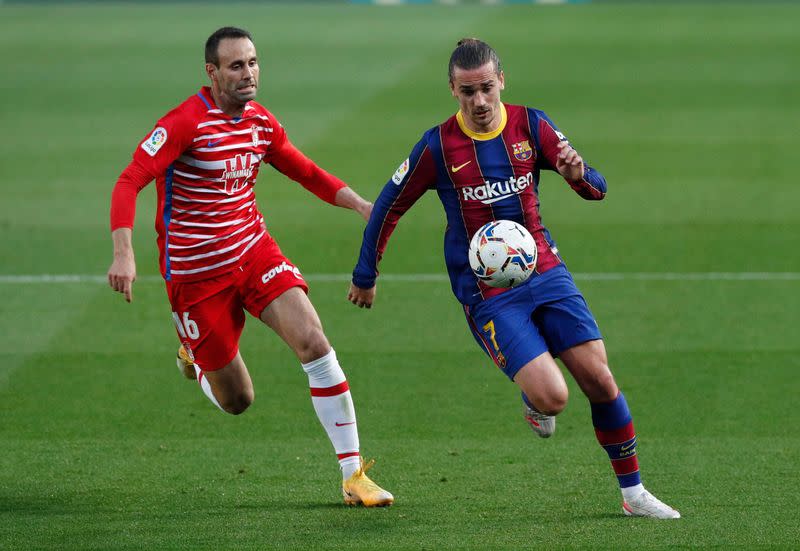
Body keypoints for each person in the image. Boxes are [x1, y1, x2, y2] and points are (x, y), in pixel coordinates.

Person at [348, 38, 679, 518]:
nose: (479, 102)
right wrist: (365, 273)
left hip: (545, 271)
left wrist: (577, 172)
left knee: (601, 381)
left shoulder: (532, 124)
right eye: (467, 92)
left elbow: (597, 189)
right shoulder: (437, 146)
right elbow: (388, 205)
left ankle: (634, 495)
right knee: (555, 396)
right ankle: (534, 398)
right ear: (452, 91)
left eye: (486, 88)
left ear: (501, 80)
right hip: (488, 295)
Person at [107, 26, 392, 507]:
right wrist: (124, 252)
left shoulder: (259, 121)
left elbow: (304, 169)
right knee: (238, 400)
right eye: (236, 65)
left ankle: (352, 475)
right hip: (196, 277)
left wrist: (360, 205)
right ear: (212, 72)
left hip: (253, 251)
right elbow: (130, 179)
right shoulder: (183, 123)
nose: (248, 73)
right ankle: (193, 358)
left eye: (253, 63)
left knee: (315, 342)